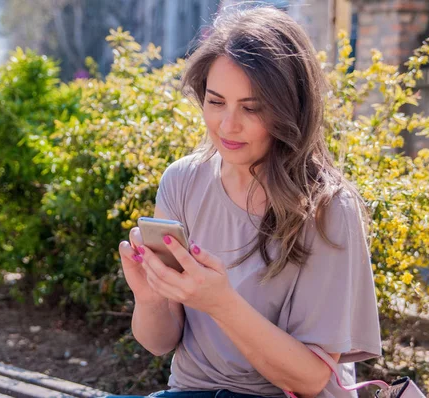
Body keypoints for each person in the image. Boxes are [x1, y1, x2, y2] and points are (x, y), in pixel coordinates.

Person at [113, 5, 381, 398]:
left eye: (252, 108)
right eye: (216, 101)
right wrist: (151, 297)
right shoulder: (182, 181)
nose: (227, 125)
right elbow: (159, 342)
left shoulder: (328, 208)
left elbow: (309, 379)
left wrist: (220, 303)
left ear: (291, 108)